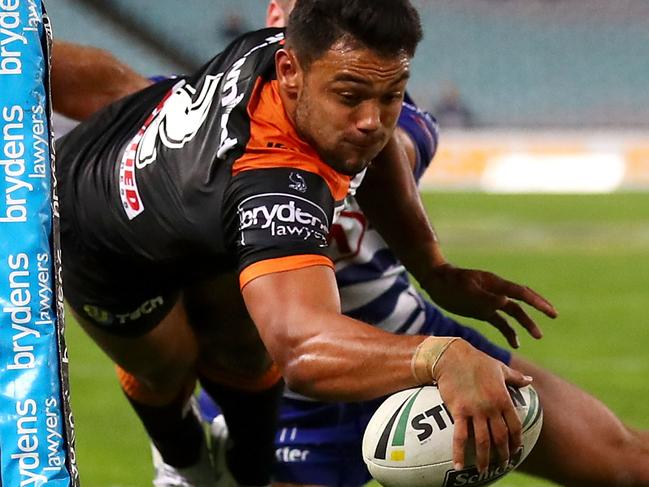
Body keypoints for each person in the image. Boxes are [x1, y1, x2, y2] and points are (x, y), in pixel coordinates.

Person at [54, 1, 555, 486]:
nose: (372, 121)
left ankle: (244, 471)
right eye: (351, 95)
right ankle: (182, 465)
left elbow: (373, 148)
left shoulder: (292, 52)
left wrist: (432, 267)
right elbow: (302, 346)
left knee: (245, 356)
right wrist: (440, 357)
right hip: (96, 231)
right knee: (165, 370)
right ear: (290, 71)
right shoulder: (273, 182)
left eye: (392, 96)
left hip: (186, 194)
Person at [193, 2, 649, 487]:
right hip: (281, 400)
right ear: (278, 20)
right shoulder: (198, 127)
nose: (370, 118)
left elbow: (394, 143)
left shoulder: (382, 123)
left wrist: (436, 268)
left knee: (627, 461)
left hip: (411, 333)